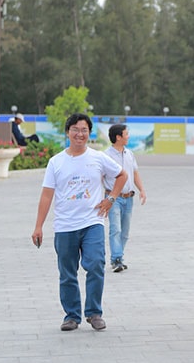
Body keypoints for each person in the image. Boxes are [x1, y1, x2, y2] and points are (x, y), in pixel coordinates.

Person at [31, 113, 127, 332]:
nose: (79, 134)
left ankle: (93, 313)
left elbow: (121, 175)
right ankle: (72, 315)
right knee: (67, 273)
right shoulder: (56, 162)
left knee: (95, 264)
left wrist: (111, 198)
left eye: (84, 130)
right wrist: (38, 226)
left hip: (92, 222)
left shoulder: (98, 158)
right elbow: (47, 195)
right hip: (65, 226)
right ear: (68, 132)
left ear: (89, 133)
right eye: (75, 129)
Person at [103, 124, 147, 272]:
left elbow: (135, 173)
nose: (128, 136)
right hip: (113, 198)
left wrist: (141, 189)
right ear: (118, 137)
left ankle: (119, 257)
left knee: (125, 232)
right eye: (126, 134)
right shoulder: (106, 156)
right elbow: (100, 177)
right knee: (115, 229)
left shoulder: (129, 154)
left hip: (129, 198)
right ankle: (116, 259)